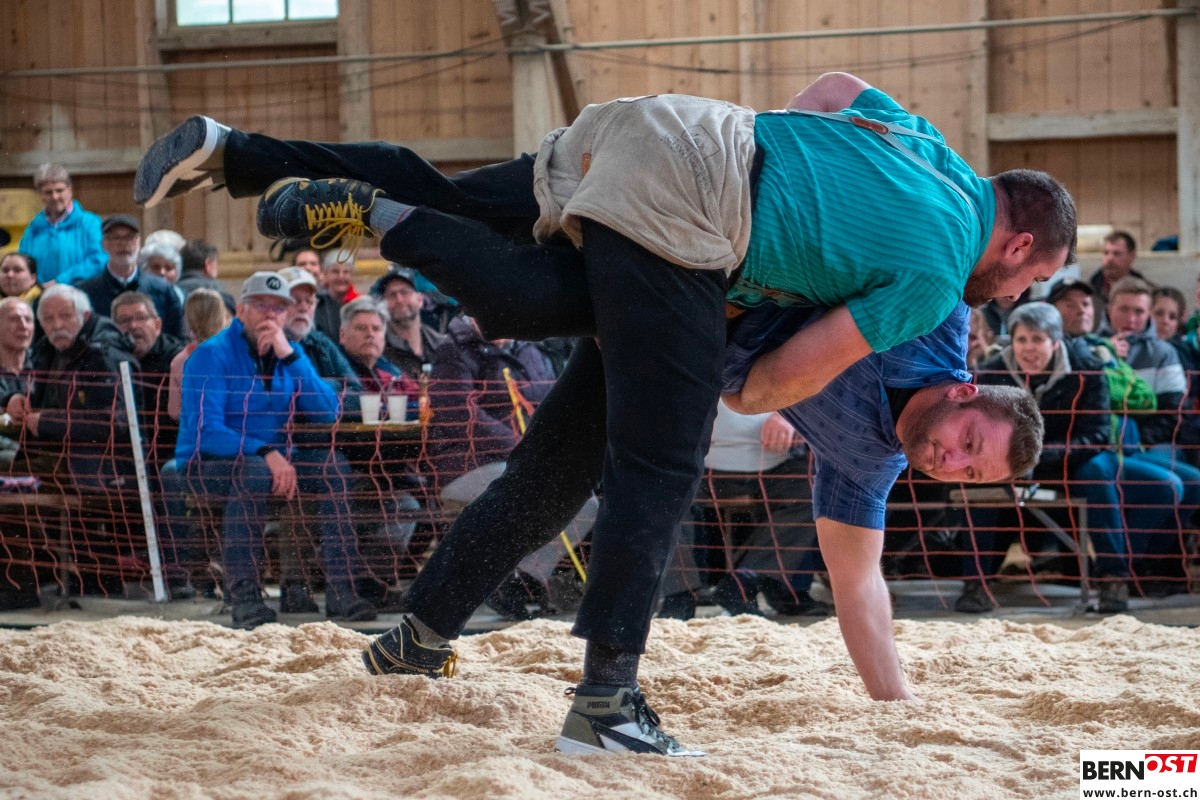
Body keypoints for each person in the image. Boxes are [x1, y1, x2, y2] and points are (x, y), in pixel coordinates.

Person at [136, 72, 1074, 756]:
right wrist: (737, 365)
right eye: (970, 447)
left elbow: (835, 89)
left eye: (969, 474)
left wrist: (792, 156)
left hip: (656, 140)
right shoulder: (940, 300)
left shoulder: (933, 159)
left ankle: (241, 157)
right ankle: (607, 703)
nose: (954, 465)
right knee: (651, 456)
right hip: (698, 234)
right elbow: (776, 382)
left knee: (545, 457)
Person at [176, 272, 380, 628]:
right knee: (252, 471)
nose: (270, 315)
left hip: (273, 461)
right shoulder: (211, 355)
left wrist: (291, 357)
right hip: (206, 463)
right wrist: (265, 451)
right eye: (261, 306)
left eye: (278, 308)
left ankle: (342, 594)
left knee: (332, 466)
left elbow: (328, 412)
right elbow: (206, 432)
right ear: (241, 311)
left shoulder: (291, 354)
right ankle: (245, 598)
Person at [961, 302, 1179, 614]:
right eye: (1022, 339)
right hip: (1012, 463)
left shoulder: (1087, 369)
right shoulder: (992, 372)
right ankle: (975, 583)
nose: (1028, 348)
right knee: (981, 478)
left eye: (1037, 339)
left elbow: (1097, 435)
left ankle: (1113, 578)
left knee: (1105, 472)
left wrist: (1040, 456)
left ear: (1055, 342)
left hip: (1073, 461)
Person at [701, 402, 828, 618]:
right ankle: (680, 595)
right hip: (704, 465)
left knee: (816, 490)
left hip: (778, 463)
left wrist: (790, 415)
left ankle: (745, 582)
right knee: (665, 493)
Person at [78, 215, 185, 338]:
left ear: (139, 242)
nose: (123, 244)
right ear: (104, 244)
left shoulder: (162, 289)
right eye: (115, 238)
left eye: (129, 237)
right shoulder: (87, 292)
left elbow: (178, 338)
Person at [18, 163, 107, 286]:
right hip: (41, 294)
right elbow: (24, 265)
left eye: (59, 190)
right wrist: (40, 288)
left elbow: (99, 260)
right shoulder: (33, 229)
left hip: (81, 293)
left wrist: (60, 281)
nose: (55, 197)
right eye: (48, 192)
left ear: (70, 190)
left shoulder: (90, 223)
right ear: (40, 194)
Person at [371, 265, 446, 380]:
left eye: (405, 292)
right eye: (392, 295)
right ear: (384, 304)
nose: (399, 299)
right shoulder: (379, 349)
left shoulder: (443, 344)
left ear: (420, 299)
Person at [313, 250, 358, 339]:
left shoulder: (359, 303)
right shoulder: (316, 302)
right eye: (335, 271)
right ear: (325, 275)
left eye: (346, 272)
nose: (341, 276)